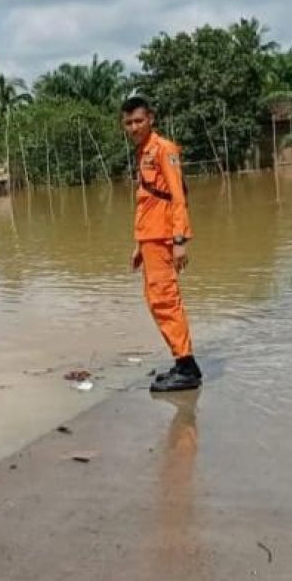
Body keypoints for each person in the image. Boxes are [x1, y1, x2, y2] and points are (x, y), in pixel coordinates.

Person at [122, 96, 201, 393]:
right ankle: (182, 362)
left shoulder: (163, 150)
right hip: (150, 239)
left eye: (138, 121)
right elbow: (149, 201)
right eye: (128, 122)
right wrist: (140, 245)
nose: (133, 127)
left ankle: (187, 367)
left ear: (151, 118)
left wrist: (180, 240)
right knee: (157, 301)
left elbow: (178, 197)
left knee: (166, 300)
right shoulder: (143, 152)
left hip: (166, 238)